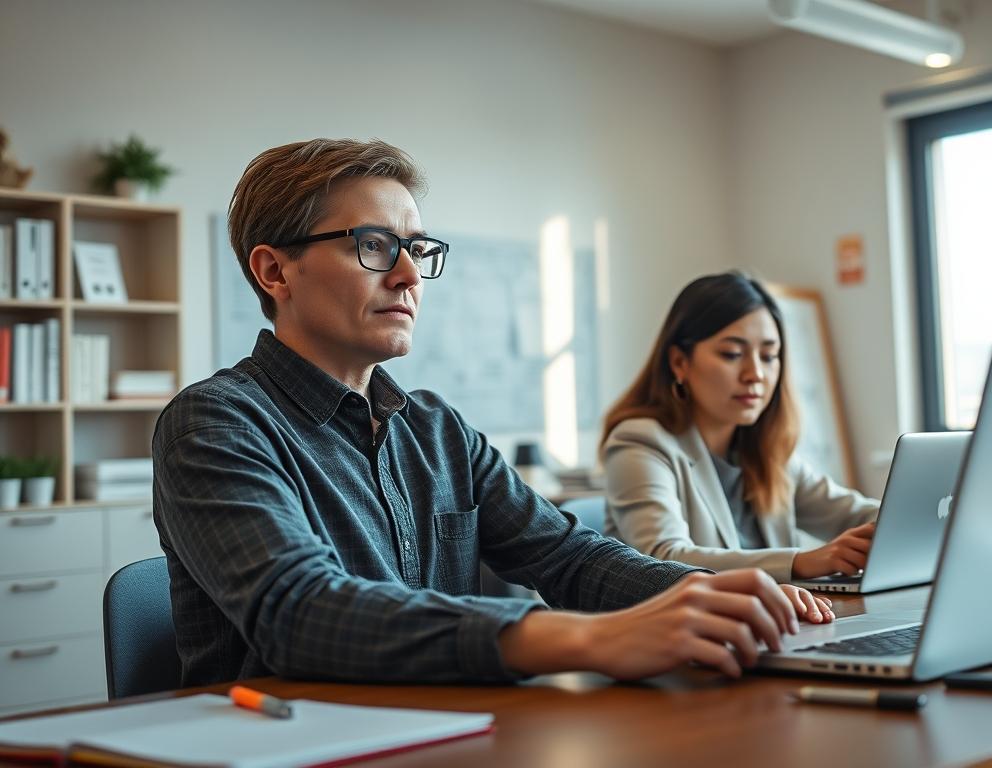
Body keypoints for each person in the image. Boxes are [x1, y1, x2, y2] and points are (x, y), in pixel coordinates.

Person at [152, 139, 835, 688]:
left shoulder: (435, 429)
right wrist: (588, 638)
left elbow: (566, 556)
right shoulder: (215, 424)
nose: (409, 275)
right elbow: (299, 612)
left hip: (448, 732)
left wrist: (707, 593)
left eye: (417, 249)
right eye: (375, 246)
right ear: (275, 272)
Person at [602, 272, 880, 584]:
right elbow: (663, 558)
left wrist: (906, 520)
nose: (755, 374)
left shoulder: (765, 450)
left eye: (769, 356)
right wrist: (801, 562)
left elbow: (853, 515)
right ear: (680, 362)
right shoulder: (640, 442)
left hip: (774, 614)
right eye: (732, 354)